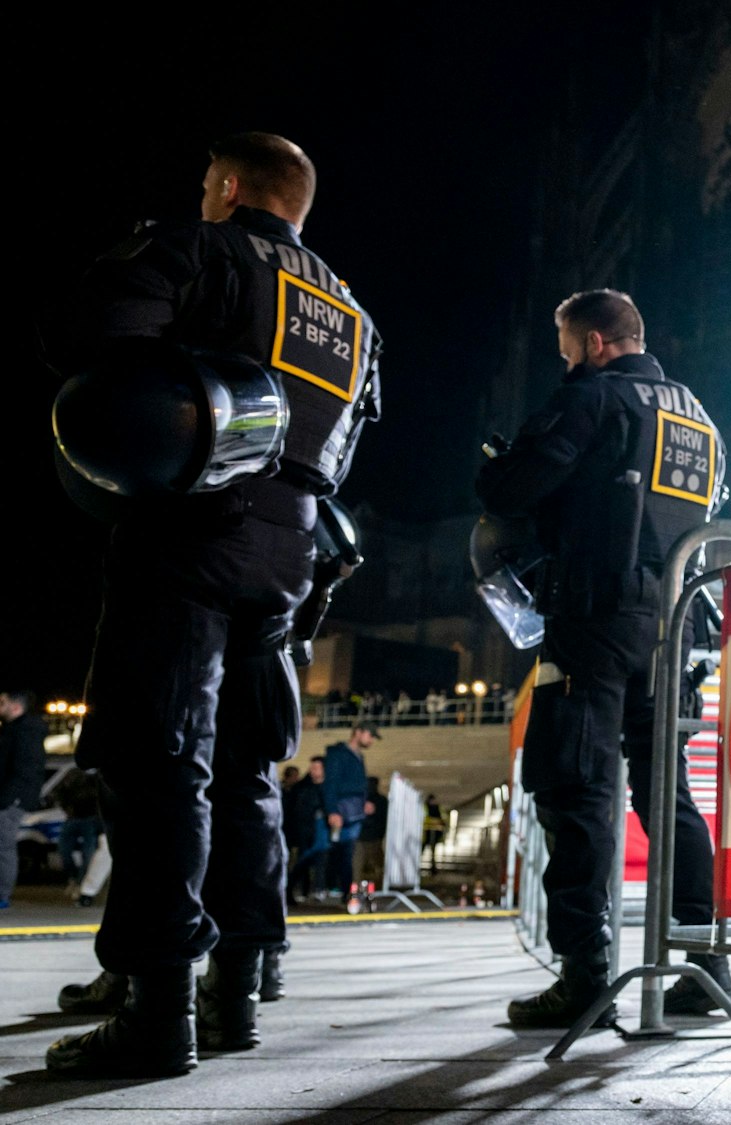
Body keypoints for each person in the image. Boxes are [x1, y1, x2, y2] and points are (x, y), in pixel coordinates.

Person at [45, 133, 382, 1077]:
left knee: (156, 761)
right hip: (288, 556)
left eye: (207, 185)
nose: (203, 196)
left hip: (189, 531)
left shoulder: (203, 250)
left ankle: (155, 1007)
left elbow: (88, 335)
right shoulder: (351, 313)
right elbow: (348, 444)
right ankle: (234, 992)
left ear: (230, 188)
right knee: (243, 772)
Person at [476, 289, 729, 1028]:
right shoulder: (697, 415)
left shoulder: (593, 398)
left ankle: (584, 973)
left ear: (592, 343)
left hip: (595, 614)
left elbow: (510, 484)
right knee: (667, 796)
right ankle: (708, 966)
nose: (564, 361)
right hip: (676, 625)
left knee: (576, 788)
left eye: (565, 348)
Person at [1, 690, 49, 910]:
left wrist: (9, 799)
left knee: (3, 846)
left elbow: (25, 770)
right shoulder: (15, 730)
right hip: (11, 797)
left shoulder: (25, 731)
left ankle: (2, 895)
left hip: (11, 800)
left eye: (3, 702)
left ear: (16, 707)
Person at [320, 727, 374, 904]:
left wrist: (364, 801)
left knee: (347, 852)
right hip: (343, 811)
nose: (371, 740)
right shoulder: (338, 755)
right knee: (343, 852)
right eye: (370, 735)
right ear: (358, 732)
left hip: (355, 811)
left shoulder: (359, 756)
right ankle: (343, 890)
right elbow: (331, 784)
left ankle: (346, 891)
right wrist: (332, 810)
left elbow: (359, 785)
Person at [53, 765, 107, 903]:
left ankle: (84, 889)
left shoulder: (100, 777)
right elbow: (59, 792)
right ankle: (79, 884)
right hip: (74, 817)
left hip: (92, 819)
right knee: (64, 850)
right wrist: (67, 808)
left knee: (91, 853)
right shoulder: (75, 774)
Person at [283, 758, 327, 903]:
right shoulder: (303, 788)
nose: (312, 770)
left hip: (320, 830)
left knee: (317, 860)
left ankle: (316, 889)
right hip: (307, 831)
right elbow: (298, 811)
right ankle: (298, 889)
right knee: (305, 861)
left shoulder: (327, 786)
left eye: (316, 767)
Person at [357, 775, 388, 887]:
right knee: (375, 864)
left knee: (361, 865)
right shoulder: (382, 800)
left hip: (365, 837)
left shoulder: (361, 799)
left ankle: (360, 887)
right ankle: (376, 885)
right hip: (372, 837)